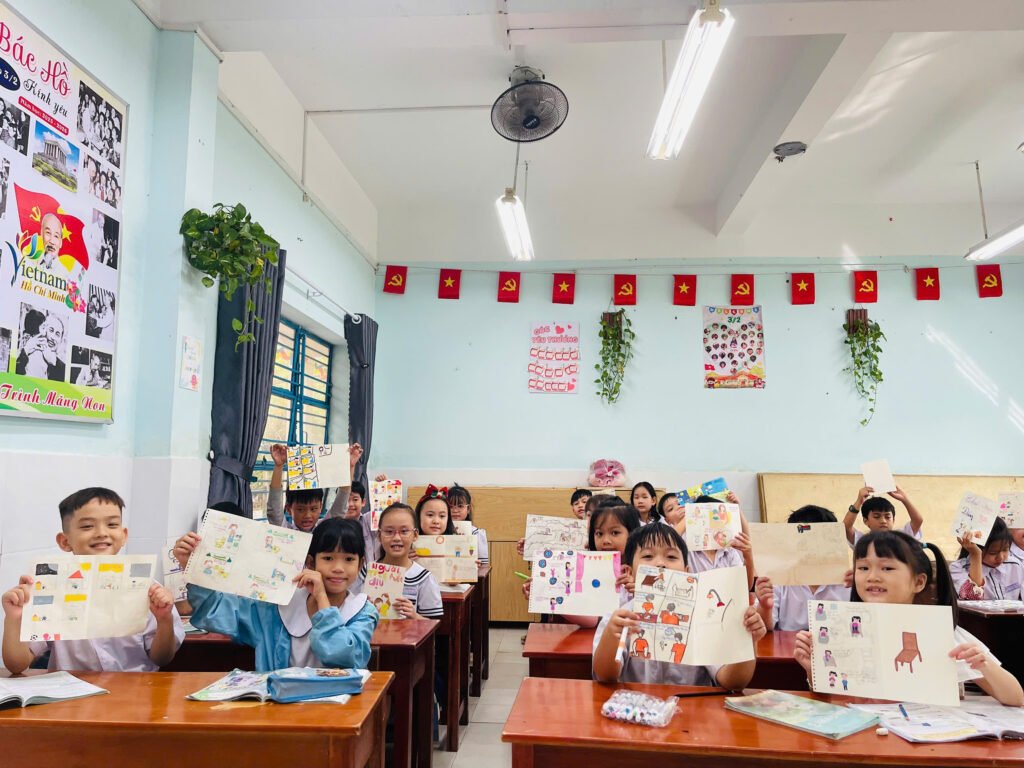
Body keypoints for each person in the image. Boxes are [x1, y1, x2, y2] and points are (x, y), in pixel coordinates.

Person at [793, 530, 1024, 706]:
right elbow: (832, 698)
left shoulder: (939, 632)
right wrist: (813, 670)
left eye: (887, 568)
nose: (872, 577)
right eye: (863, 568)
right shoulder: (843, 630)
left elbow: (1016, 697)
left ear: (919, 582)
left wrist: (984, 665)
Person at [2, 488, 183, 673]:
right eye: (87, 526)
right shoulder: (49, 591)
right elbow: (17, 665)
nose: (101, 533)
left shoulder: (147, 589)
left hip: (134, 686)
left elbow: (162, 658)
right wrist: (14, 618)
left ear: (124, 536)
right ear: (65, 541)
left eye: (112, 524)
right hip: (71, 688)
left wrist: (164, 620)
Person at [173, 517, 377, 672]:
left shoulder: (362, 612)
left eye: (349, 559)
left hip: (340, 710)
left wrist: (322, 599)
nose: (338, 568)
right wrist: (192, 566)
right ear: (311, 562)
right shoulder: (279, 605)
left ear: (361, 564)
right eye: (328, 558)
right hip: (280, 707)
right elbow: (217, 611)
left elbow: (342, 656)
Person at [592, 524, 766, 686]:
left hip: (692, 707)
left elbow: (732, 681)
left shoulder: (704, 618)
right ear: (630, 572)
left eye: (671, 557)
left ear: (686, 572)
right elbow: (604, 675)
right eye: (648, 556)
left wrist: (747, 642)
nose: (660, 564)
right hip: (637, 706)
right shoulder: (620, 618)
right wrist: (611, 636)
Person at [755, 506, 851, 631]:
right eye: (802, 541)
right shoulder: (777, 578)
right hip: (789, 642)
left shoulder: (848, 581)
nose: (809, 547)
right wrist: (765, 607)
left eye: (816, 539)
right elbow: (765, 630)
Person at [353, 503, 443, 621]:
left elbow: (435, 624)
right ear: (379, 535)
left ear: (415, 535)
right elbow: (348, 610)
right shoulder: (366, 572)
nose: (396, 538)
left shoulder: (424, 578)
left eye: (404, 531)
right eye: (389, 532)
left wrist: (414, 616)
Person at [266, 443, 362, 532]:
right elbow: (274, 512)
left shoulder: (324, 530)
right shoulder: (285, 531)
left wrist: (350, 466)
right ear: (288, 509)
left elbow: (340, 507)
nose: (307, 515)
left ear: (320, 507)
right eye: (300, 510)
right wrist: (278, 466)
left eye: (313, 509)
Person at [671, 493, 755, 588]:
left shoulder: (729, 551)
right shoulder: (687, 546)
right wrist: (690, 516)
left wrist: (748, 557)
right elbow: (668, 541)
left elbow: (745, 586)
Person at [950, 517, 1023, 601]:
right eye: (993, 553)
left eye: (1005, 550)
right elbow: (972, 597)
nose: (1000, 557)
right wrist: (975, 554)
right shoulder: (958, 568)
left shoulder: (1015, 565)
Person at [843, 486, 923, 546]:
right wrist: (859, 501)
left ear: (893, 520)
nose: (883, 521)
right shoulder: (862, 541)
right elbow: (845, 528)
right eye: (876, 517)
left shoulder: (901, 538)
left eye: (887, 517)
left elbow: (917, 521)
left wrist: (904, 499)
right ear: (866, 521)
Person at [16, 312, 66, 382]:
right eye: (51, 330)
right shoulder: (26, 352)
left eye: (57, 334)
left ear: (61, 340)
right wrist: (25, 350)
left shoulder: (63, 369)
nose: (53, 337)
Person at [448, 484, 488, 566]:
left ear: (468, 509)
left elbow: (484, 565)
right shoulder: (440, 532)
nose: (455, 510)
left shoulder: (476, 534)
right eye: (450, 506)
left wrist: (478, 565)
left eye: (460, 506)